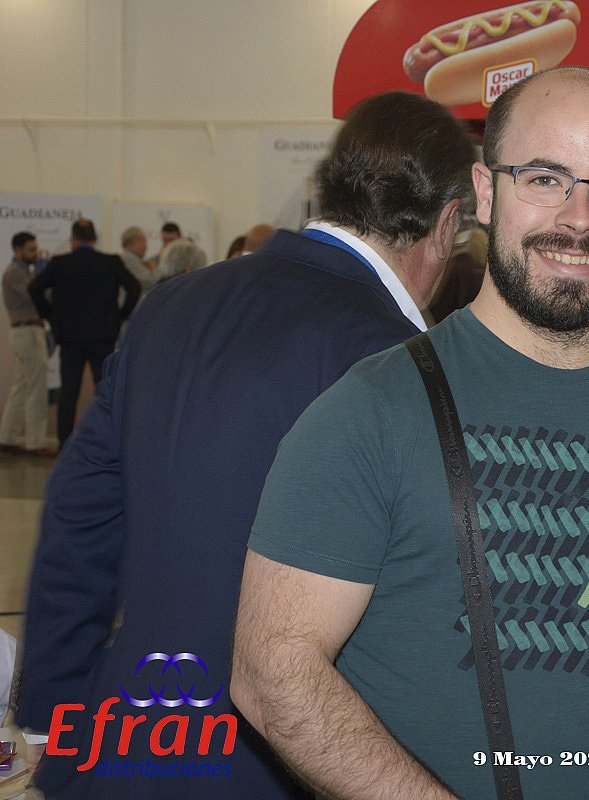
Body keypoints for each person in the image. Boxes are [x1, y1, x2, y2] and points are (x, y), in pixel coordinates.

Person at [230, 67, 589, 800]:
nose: (579, 218)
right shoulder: (372, 412)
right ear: (484, 191)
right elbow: (272, 670)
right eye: (545, 178)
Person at [16, 90, 476, 800]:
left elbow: (79, 523)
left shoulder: (172, 306)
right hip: (287, 766)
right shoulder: (402, 360)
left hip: (127, 741)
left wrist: (52, 723)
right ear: (446, 225)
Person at [28, 219, 139, 444]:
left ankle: (64, 445)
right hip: (103, 336)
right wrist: (120, 317)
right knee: (105, 391)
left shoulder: (60, 263)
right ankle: (109, 442)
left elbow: (35, 288)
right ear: (95, 239)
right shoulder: (110, 262)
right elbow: (134, 287)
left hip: (70, 338)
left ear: (74, 239)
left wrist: (50, 316)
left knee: (69, 393)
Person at [0, 232, 52, 456]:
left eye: (35, 248)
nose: (35, 253)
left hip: (28, 331)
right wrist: (44, 276)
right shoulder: (14, 272)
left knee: (21, 387)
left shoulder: (24, 271)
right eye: (31, 249)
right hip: (27, 331)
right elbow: (36, 294)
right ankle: (36, 442)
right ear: (17, 250)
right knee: (36, 388)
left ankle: (7, 438)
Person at [117, 225, 158, 295]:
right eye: (144, 241)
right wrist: (153, 269)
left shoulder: (128, 258)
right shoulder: (129, 259)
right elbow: (149, 282)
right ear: (133, 242)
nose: (146, 246)